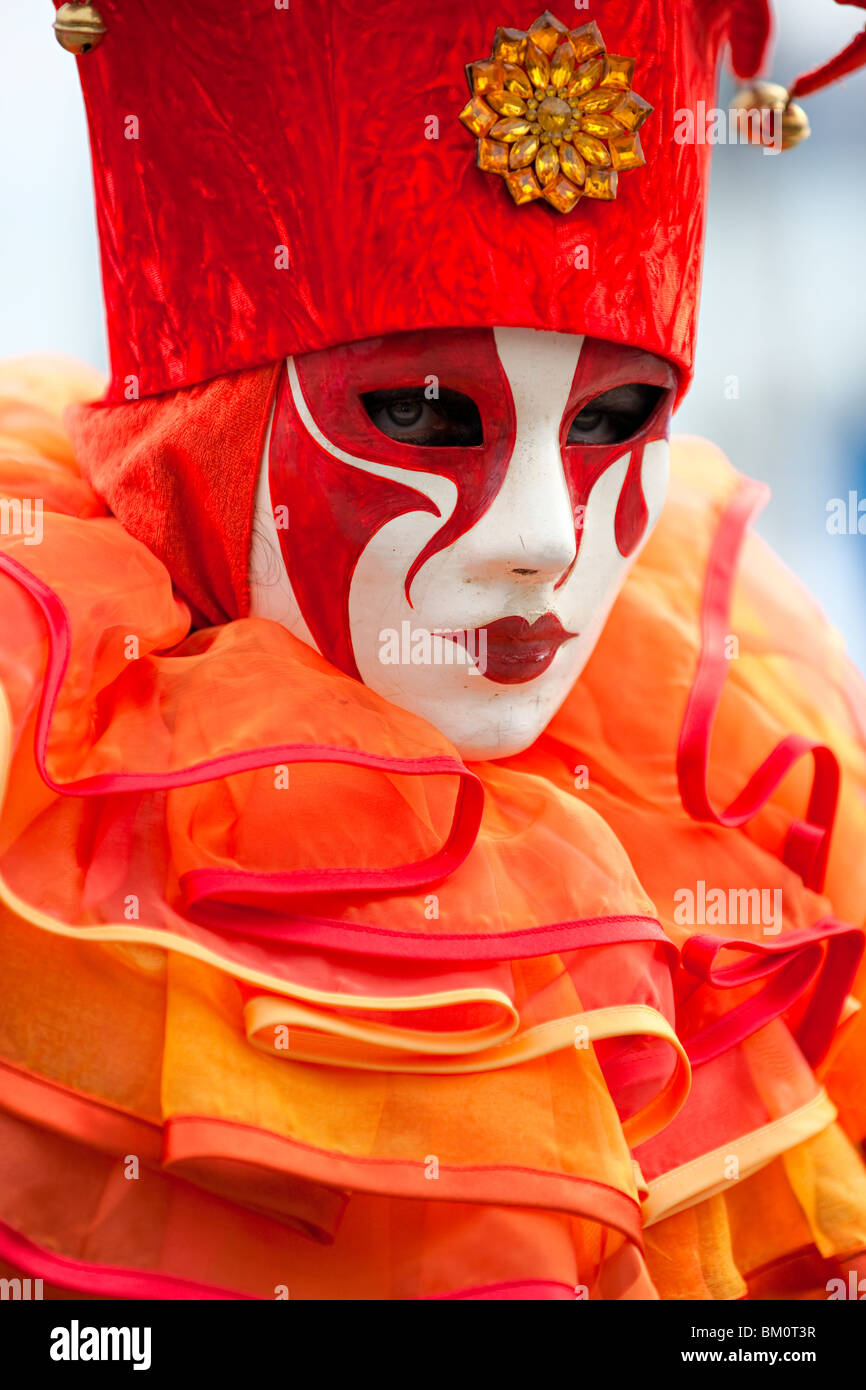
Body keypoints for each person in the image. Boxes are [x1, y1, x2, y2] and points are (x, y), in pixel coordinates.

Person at [0, 0, 865, 1301]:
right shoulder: (38, 797)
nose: (540, 541)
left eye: (615, 417)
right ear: (206, 433)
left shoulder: (726, 799)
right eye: (421, 413)